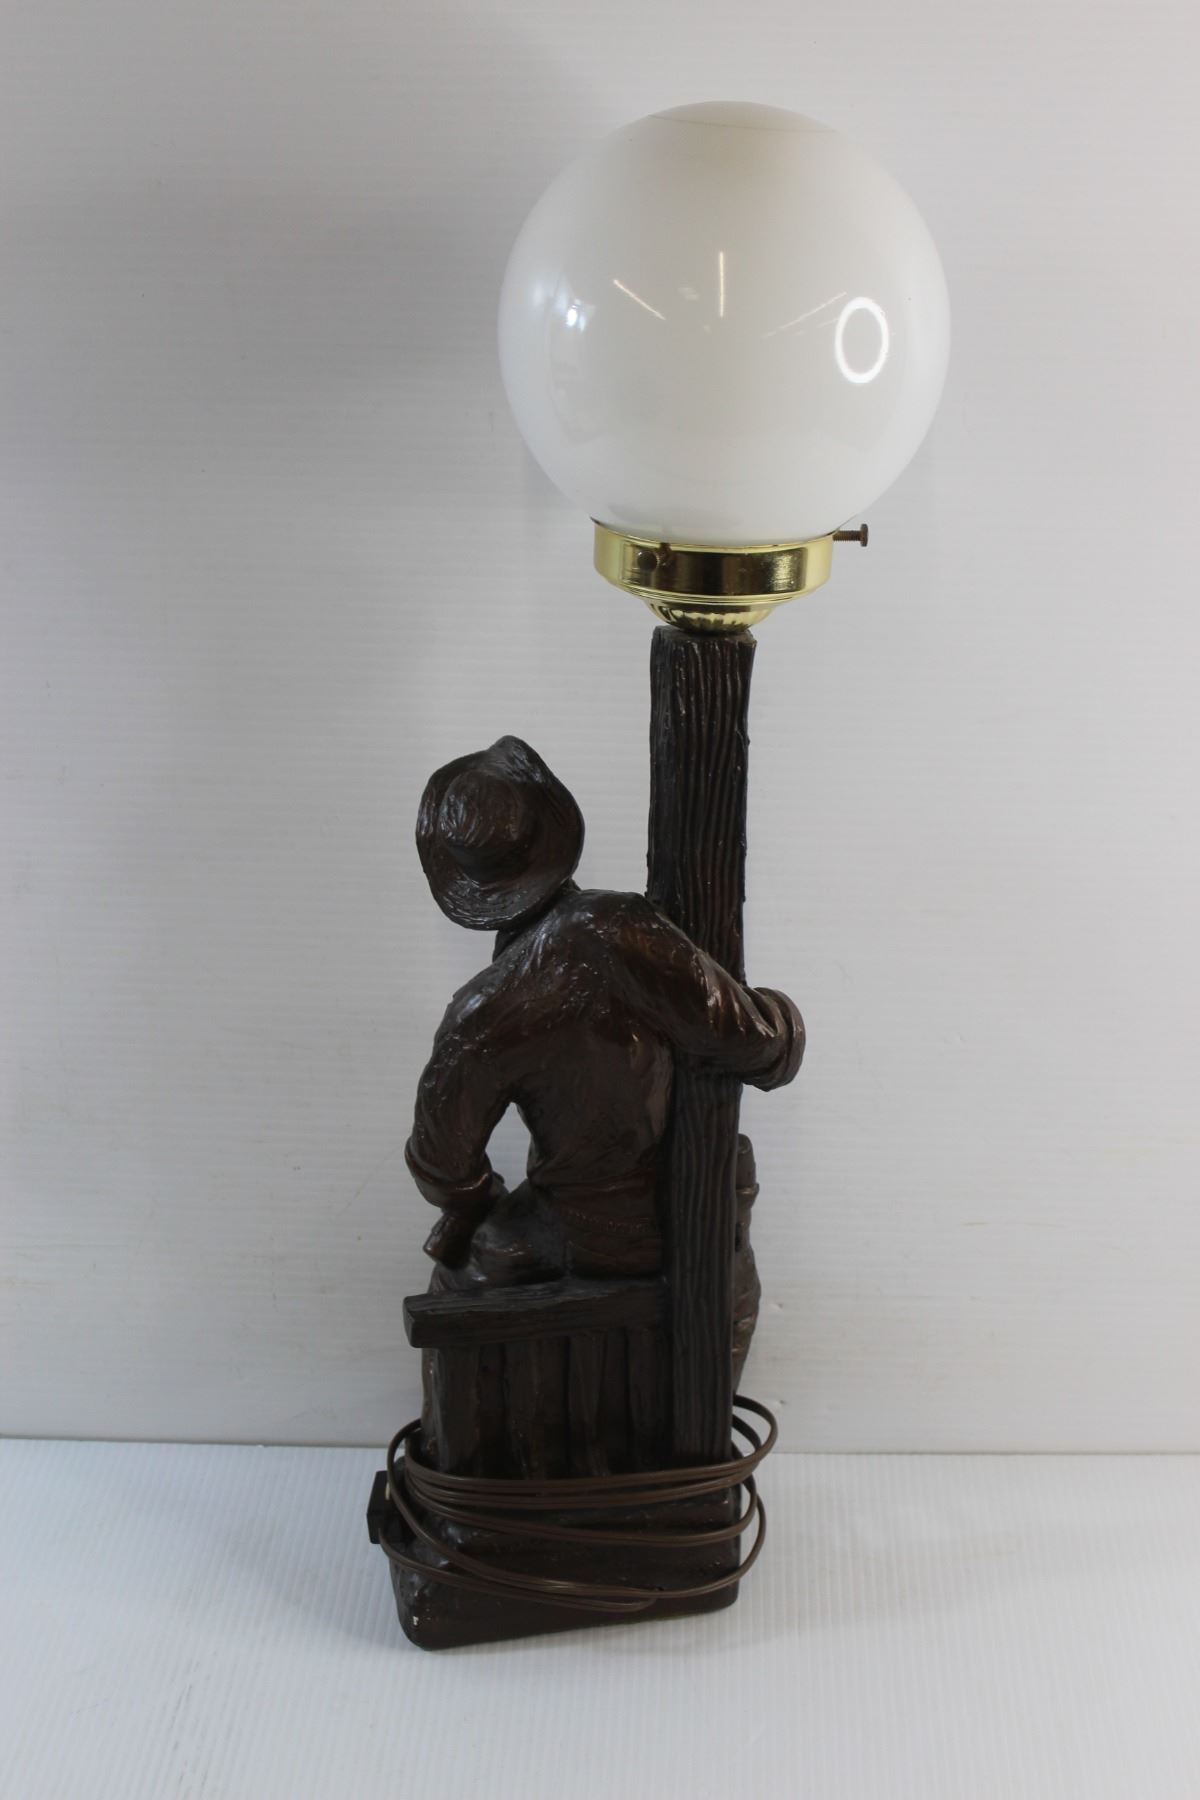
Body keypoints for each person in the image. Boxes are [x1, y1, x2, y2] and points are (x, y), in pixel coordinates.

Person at [406, 736, 803, 1287]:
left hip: (588, 1229)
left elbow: (442, 1164)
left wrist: (482, 1201)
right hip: (691, 1203)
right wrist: (775, 1012)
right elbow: (761, 1047)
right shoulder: (620, 926)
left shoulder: (479, 1012)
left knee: (463, 1272)